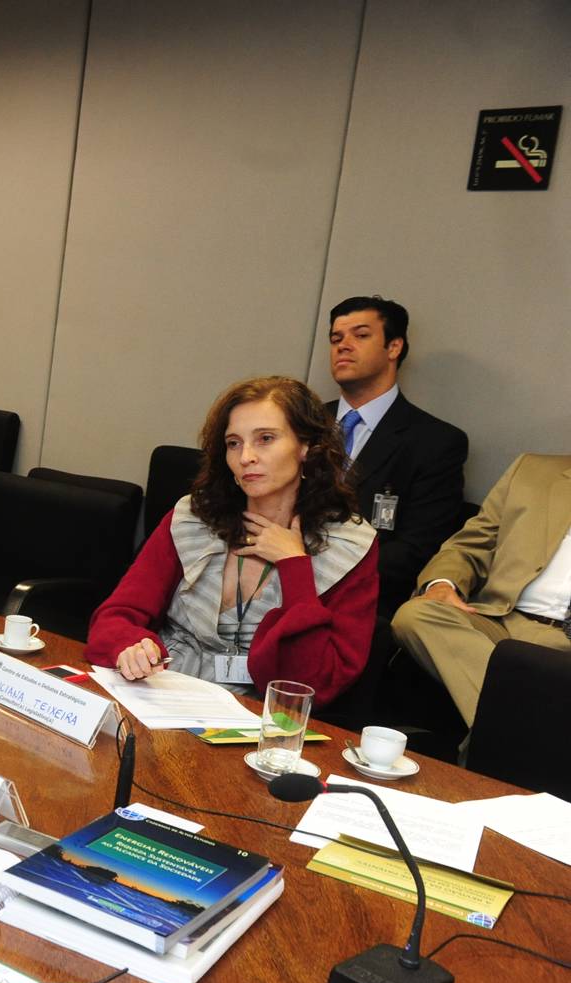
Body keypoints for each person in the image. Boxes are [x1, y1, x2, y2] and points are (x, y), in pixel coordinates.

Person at [86, 376, 378, 708]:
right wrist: (131, 646)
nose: (246, 457)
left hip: (258, 715)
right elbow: (115, 617)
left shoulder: (350, 546)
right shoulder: (194, 516)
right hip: (160, 693)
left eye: (265, 439)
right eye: (234, 443)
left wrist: (294, 565)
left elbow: (314, 684)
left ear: (306, 447)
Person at [391, 452, 571, 725]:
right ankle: (526, 727)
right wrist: (443, 583)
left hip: (564, 642)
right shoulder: (531, 470)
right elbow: (471, 544)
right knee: (416, 615)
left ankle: (507, 733)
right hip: (500, 620)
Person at [326, 295, 468, 619]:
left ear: (394, 347)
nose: (343, 346)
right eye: (336, 338)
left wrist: (315, 569)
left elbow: (416, 550)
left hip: (362, 602)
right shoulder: (300, 424)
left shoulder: (436, 442)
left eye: (361, 335)